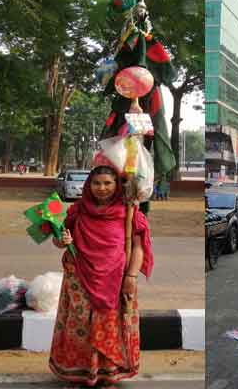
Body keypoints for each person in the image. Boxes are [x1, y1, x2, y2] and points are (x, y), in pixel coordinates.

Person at [48, 165, 154, 386]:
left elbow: (138, 248)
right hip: (79, 277)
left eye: (107, 183)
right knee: (79, 327)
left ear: (117, 185)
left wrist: (131, 277)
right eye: (97, 183)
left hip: (116, 280)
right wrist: (62, 241)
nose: (102, 188)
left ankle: (107, 375)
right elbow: (59, 239)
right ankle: (78, 373)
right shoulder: (77, 210)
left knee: (110, 327)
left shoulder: (130, 212)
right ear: (89, 185)